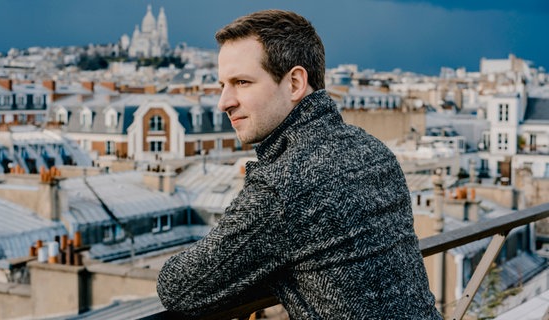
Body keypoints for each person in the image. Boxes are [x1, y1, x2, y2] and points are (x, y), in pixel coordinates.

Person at [157, 9, 442, 319]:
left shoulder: (284, 183)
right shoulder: (373, 150)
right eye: (223, 85)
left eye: (241, 82)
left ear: (294, 83)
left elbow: (177, 287)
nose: (224, 101)